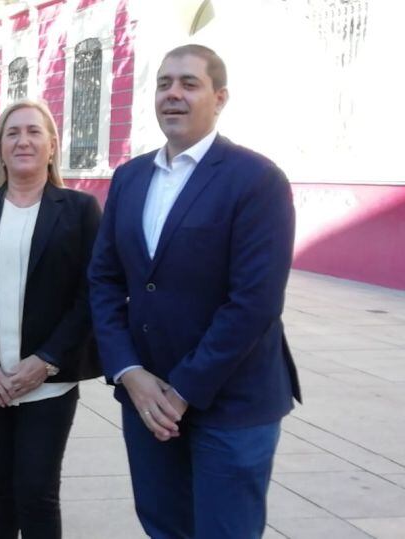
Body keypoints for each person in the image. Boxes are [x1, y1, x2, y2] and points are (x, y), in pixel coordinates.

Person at [88, 44, 301, 538]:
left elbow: (255, 302)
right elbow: (103, 279)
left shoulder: (257, 179)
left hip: (232, 403)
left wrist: (182, 391)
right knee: (164, 527)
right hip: (146, 397)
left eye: (189, 83)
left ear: (220, 97)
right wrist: (128, 371)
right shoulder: (130, 177)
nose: (173, 95)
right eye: (164, 84)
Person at [0, 100, 102, 538]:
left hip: (49, 380)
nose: (23, 140)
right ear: (0, 147)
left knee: (37, 491)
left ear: (52, 145)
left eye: (33, 131)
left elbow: (92, 294)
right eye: (12, 133)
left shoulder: (80, 210)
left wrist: (46, 360)